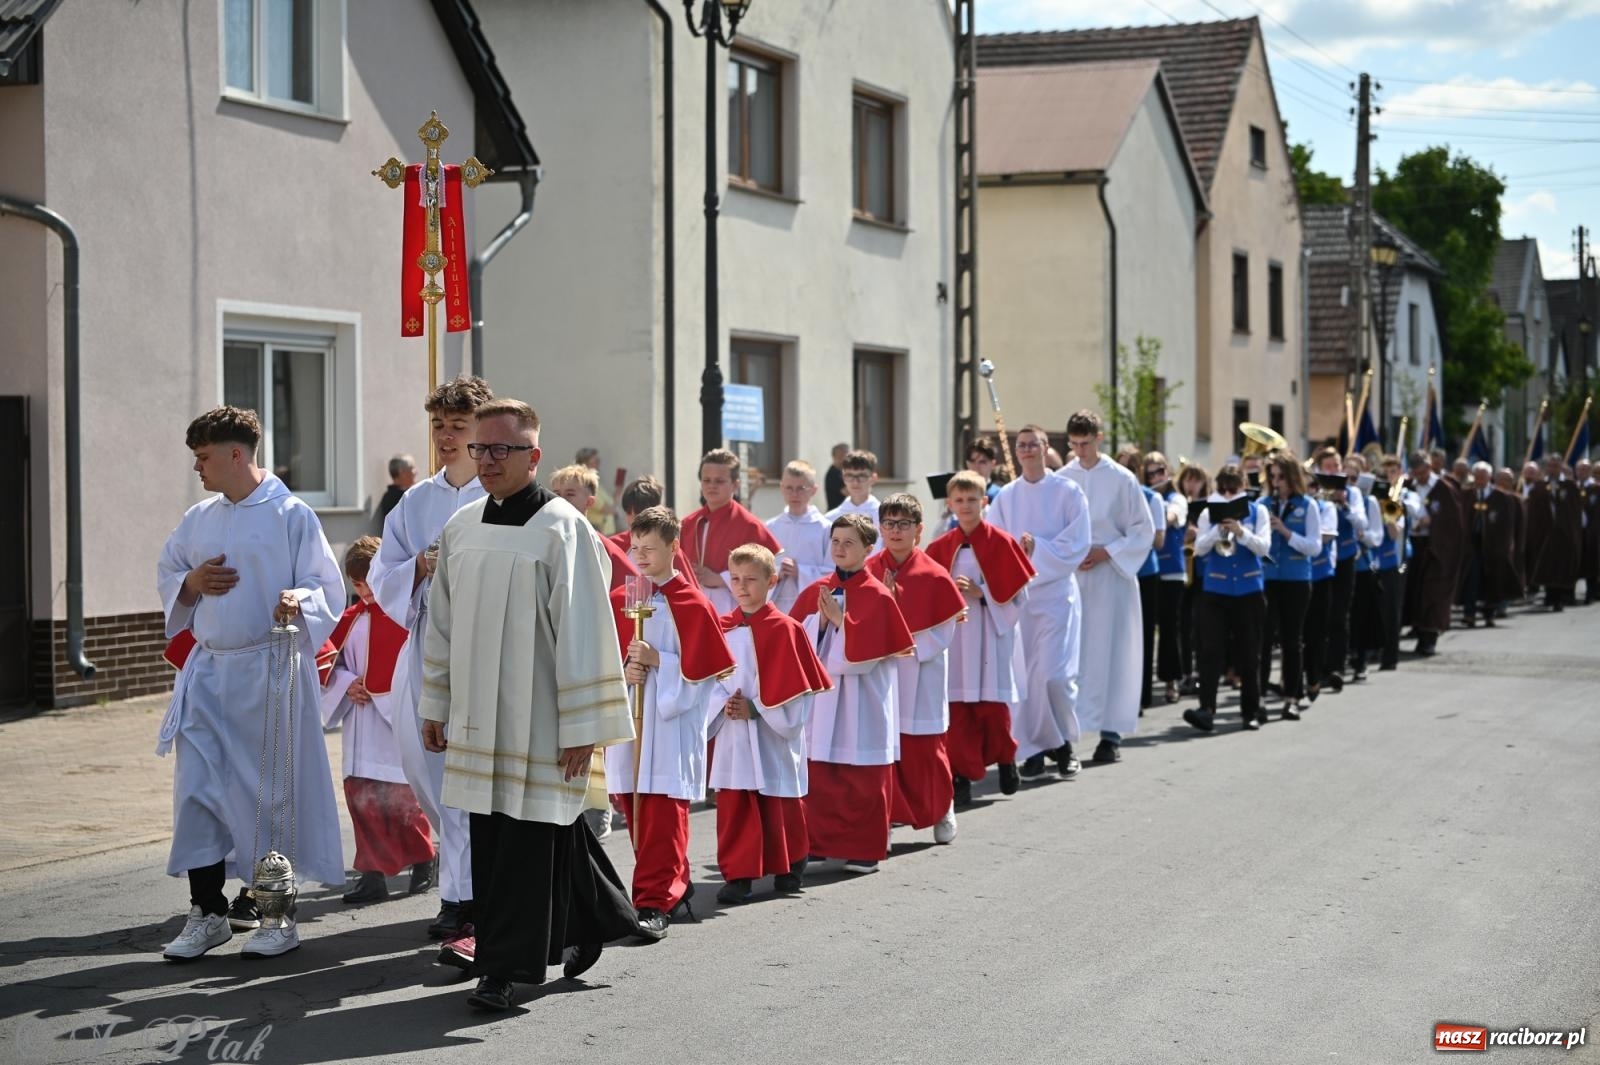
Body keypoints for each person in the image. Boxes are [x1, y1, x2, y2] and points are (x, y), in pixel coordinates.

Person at [419, 399, 639, 1012]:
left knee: (526, 838)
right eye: (480, 448)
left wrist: (583, 726)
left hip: (541, 715)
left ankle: (502, 969)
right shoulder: (462, 526)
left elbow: (587, 632)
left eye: (501, 449)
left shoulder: (564, 529)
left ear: (533, 455)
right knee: (513, 833)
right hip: (476, 715)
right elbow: (442, 625)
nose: (486, 460)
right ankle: (593, 918)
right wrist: (435, 701)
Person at [155, 406, 345, 961]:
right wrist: (190, 582)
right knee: (197, 794)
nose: (197, 467)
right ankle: (208, 913)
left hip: (269, 672)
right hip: (208, 672)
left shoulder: (291, 514)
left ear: (236, 454)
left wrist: (299, 599)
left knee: (269, 798)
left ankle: (277, 917)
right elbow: (170, 571)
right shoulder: (199, 517)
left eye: (204, 457)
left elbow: (326, 586)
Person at [367, 374, 493, 942]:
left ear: (481, 430)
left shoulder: (499, 496)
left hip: (485, 653)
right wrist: (419, 566)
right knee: (427, 771)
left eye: (457, 426)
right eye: (438, 425)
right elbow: (381, 577)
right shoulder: (415, 502)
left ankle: (463, 897)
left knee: (473, 782)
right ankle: (463, 887)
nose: (444, 436)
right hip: (426, 649)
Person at [606, 506, 734, 939]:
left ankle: (653, 901)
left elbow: (709, 676)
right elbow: (607, 659)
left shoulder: (693, 604)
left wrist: (658, 659)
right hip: (632, 721)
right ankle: (674, 886)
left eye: (650, 548)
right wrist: (625, 672)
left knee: (662, 815)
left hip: (670, 725)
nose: (640, 556)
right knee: (636, 810)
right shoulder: (624, 599)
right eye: (635, 547)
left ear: (674, 547)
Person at [790, 514, 914, 874]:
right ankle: (819, 843)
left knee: (862, 777)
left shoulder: (878, 594)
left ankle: (864, 849)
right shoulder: (816, 590)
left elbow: (871, 655)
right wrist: (820, 622)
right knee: (822, 772)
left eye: (849, 543)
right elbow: (796, 639)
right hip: (824, 698)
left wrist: (841, 622)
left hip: (863, 698)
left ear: (868, 549)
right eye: (835, 541)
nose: (840, 549)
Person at [710, 544, 831, 902]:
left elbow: (798, 692)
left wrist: (759, 709)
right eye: (735, 579)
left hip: (773, 732)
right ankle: (739, 874)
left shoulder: (787, 630)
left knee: (780, 802)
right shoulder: (722, 628)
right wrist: (724, 704)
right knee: (736, 802)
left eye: (750, 579)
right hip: (733, 729)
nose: (741, 586)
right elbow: (709, 681)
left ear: (771, 581)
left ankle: (790, 864)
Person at [319, 536, 435, 905]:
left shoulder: (407, 616)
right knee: (361, 797)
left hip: (395, 721)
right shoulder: (349, 620)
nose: (365, 591)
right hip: (360, 724)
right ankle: (371, 876)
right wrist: (346, 684)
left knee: (403, 799)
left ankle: (424, 858)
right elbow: (329, 662)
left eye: (369, 581)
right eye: (357, 584)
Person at [987, 425, 1090, 778]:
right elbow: (993, 544)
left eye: (1034, 444)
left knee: (1053, 676)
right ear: (1015, 452)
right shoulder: (1006, 497)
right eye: (1021, 445)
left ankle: (1064, 743)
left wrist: (1038, 549)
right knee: (1026, 678)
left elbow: (1078, 542)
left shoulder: (1068, 491)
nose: (1027, 450)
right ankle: (1035, 748)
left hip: (1056, 595)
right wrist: (1014, 557)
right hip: (1020, 599)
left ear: (1046, 449)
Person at [926, 472, 1033, 804]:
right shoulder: (940, 547)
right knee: (958, 711)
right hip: (956, 637)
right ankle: (961, 775)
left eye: (972, 499)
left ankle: (1005, 760)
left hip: (989, 633)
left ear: (984, 502)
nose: (966, 506)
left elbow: (1019, 596)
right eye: (959, 500)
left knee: (992, 708)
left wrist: (982, 592)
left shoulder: (1001, 542)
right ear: (950, 504)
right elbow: (926, 590)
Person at [866, 493, 967, 843]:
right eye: (889, 524)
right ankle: (886, 818)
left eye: (904, 524)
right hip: (881, 672)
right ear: (880, 528)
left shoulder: (935, 575)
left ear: (918, 530)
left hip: (921, 673)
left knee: (924, 750)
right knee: (884, 751)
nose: (896, 530)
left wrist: (905, 644)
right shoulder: (867, 571)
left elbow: (944, 630)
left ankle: (942, 806)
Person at [1058, 410, 1154, 764]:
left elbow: (1142, 529)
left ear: (1099, 439)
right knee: (1070, 654)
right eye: (1074, 444)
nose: (1079, 451)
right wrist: (1069, 553)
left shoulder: (1121, 478)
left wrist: (1107, 551)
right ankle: (1064, 736)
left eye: (1085, 443)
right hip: (1072, 577)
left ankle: (1111, 734)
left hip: (1111, 576)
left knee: (1113, 651)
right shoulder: (1062, 479)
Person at [1182, 465, 1270, 732]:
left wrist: (1241, 533)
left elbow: (1264, 547)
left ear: (1243, 488)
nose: (1228, 495)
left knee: (1249, 654)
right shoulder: (1208, 513)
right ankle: (1206, 709)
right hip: (1216, 590)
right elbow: (1199, 549)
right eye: (1223, 490)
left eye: (1233, 490)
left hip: (1249, 590)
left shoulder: (1258, 512)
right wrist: (1216, 532)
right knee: (1210, 652)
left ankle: (1250, 711)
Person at [1257, 450, 1321, 719]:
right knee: (1262, 640)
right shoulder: (1262, 504)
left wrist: (1285, 531)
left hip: (1296, 580)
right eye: (1272, 477)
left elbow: (1314, 547)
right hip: (1267, 580)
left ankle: (1292, 698)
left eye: (1280, 477)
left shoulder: (1308, 505)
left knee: (1291, 640)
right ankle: (1258, 698)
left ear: (1292, 477)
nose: (1276, 482)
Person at [682, 448, 783, 614]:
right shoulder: (688, 523)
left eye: (719, 481)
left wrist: (721, 579)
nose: (712, 485)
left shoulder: (749, 524)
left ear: (735, 484)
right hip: (692, 606)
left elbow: (773, 568)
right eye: (706, 480)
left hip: (731, 608)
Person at [1116, 444, 1167, 712]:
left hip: (1145, 572)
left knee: (1144, 636)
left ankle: (1141, 696)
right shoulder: (1112, 498)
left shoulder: (1151, 498)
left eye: (1129, 468)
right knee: (1119, 637)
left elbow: (1158, 540)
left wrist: (1133, 535)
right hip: (1117, 572)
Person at [1406, 448, 1465, 654]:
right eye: (1416, 473)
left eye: (1423, 472)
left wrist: (1432, 521)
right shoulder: (1408, 487)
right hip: (1413, 546)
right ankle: (1417, 628)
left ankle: (1429, 637)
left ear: (1430, 467)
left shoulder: (1444, 489)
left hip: (1437, 549)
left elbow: (1453, 522)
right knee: (1414, 591)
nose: (1420, 477)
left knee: (1433, 592)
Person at [1143, 452, 1188, 705]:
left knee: (1169, 628)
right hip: (1148, 570)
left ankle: (1172, 680)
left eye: (1160, 471)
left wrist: (1154, 503)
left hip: (1171, 570)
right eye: (1150, 474)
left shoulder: (1176, 498)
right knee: (1147, 628)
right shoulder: (1144, 496)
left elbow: (1171, 519)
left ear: (1167, 472)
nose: (1156, 477)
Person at [553, 464, 639, 592]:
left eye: (570, 494)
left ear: (589, 502)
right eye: (557, 494)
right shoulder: (546, 539)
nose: (561, 500)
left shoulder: (603, 547)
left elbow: (633, 587)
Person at [766, 460, 832, 613]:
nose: (794, 494)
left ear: (814, 490)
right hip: (776, 605)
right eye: (789, 488)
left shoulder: (825, 528)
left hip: (811, 605)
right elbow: (760, 568)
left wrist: (801, 572)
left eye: (801, 488)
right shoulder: (771, 527)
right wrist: (777, 572)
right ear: (781, 488)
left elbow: (832, 571)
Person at [1459, 461, 1519, 627]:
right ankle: (1469, 614)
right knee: (1471, 579)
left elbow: (1508, 524)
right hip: (1472, 546)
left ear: (1489, 477)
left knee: (1492, 580)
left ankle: (1489, 614)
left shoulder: (1501, 497)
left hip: (1494, 547)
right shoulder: (1467, 495)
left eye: (1482, 477)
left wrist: (1507, 545)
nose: (1479, 481)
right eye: (1476, 477)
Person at [612, 476, 698, 587]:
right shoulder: (615, 546)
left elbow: (688, 591)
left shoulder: (669, 550)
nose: (633, 519)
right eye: (628, 512)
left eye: (638, 513)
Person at [1525, 453, 1584, 611]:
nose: (1553, 469)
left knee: (1561, 566)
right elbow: (1533, 510)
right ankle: (1549, 595)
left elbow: (1575, 511)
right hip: (1544, 533)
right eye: (1550, 466)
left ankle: (1559, 598)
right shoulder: (1539, 486)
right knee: (1547, 565)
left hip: (1564, 533)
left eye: (1556, 466)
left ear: (1561, 467)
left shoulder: (1569, 486)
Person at [1175, 463, 1212, 695]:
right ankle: (1185, 672)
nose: (1191, 484)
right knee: (1184, 624)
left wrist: (1199, 535)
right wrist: (1184, 535)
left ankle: (1200, 671)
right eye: (1187, 479)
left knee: (1201, 623)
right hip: (1181, 570)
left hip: (1201, 571)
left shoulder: (1209, 507)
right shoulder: (1179, 505)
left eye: (1196, 480)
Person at [825, 449, 883, 531]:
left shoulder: (884, 517)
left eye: (862, 476)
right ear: (843, 478)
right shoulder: (830, 519)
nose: (855, 482)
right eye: (850, 476)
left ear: (873, 478)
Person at [575, 447, 620, 534]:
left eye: (598, 461)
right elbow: (607, 509)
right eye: (596, 461)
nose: (598, 464)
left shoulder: (595, 484)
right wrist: (616, 510)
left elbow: (611, 504)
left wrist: (618, 491)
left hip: (606, 533)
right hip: (599, 533)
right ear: (584, 464)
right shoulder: (585, 486)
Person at [1577, 459, 1599, 603]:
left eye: (1586, 469)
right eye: (1580, 469)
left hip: (1593, 532)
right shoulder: (1574, 487)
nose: (1582, 472)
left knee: (1593, 561)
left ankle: (1591, 592)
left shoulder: (1595, 488)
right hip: (1578, 531)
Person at [378, 454, 417, 524]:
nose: (416, 472)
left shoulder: (410, 494)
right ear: (402, 472)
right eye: (412, 468)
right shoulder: (392, 499)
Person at [824, 442, 850, 512]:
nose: (843, 459)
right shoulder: (833, 474)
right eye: (840, 456)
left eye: (846, 456)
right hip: (836, 513)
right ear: (834, 457)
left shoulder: (845, 472)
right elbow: (849, 492)